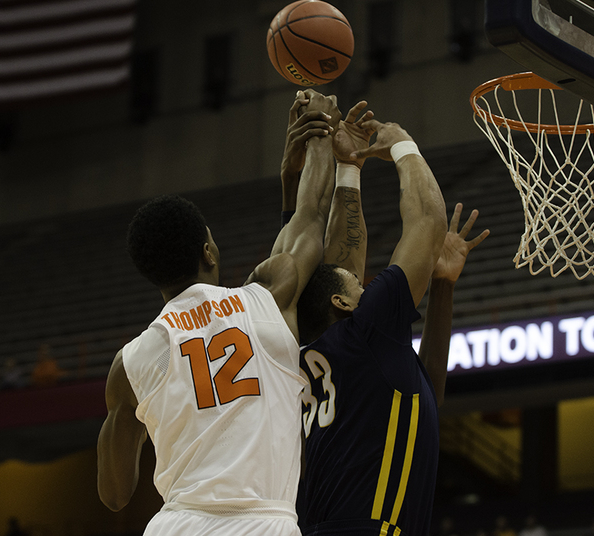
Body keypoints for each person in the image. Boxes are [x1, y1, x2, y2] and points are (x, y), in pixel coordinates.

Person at [96, 89, 348, 536]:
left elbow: (114, 495)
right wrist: (320, 132)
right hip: (262, 524)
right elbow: (313, 214)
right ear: (208, 251)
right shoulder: (267, 298)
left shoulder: (129, 364)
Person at [292, 111, 488, 536]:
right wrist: (401, 142)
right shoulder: (363, 333)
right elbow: (429, 219)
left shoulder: (320, 355)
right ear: (342, 304)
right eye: (360, 287)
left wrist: (443, 286)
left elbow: (426, 392)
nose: (368, 285)